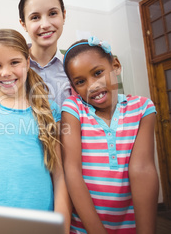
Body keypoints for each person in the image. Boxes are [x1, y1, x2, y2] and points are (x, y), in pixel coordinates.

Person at [0, 29, 71, 232]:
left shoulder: (49, 109)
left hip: (40, 221)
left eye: (14, 62)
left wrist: (62, 226)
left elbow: (59, 174)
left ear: (28, 62)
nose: (6, 72)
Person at [61, 36, 159, 233]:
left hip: (131, 225)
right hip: (83, 228)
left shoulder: (142, 108)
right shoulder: (73, 108)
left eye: (98, 73)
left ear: (115, 65)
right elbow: (72, 170)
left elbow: (143, 169)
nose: (93, 86)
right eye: (80, 81)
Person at [18, 0, 72, 107]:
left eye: (53, 13)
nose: (45, 24)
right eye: (35, 17)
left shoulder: (73, 67)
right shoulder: (12, 67)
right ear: (23, 24)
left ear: (63, 16)